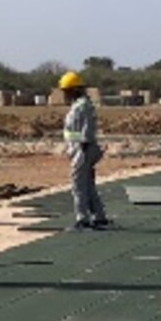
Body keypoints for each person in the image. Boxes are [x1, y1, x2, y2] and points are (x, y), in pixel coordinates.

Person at [59, 71, 109, 228]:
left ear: (73, 90)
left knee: (78, 185)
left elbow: (85, 132)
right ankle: (99, 216)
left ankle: (82, 218)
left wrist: (81, 149)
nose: (64, 95)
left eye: (65, 91)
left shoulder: (83, 106)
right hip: (81, 148)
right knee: (87, 184)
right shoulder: (80, 105)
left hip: (83, 149)